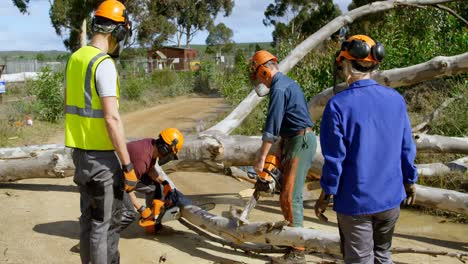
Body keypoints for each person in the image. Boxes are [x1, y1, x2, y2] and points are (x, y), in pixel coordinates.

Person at [315, 35, 418, 264]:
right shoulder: (396, 99)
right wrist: (410, 182)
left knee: (360, 260)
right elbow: (407, 148)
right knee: (383, 256)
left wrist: (326, 194)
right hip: (391, 200)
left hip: (356, 203)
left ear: (346, 64)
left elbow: (334, 161)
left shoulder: (338, 105)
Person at [64, 1, 134, 263]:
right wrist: (127, 164)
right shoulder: (103, 64)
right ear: (117, 32)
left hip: (79, 156)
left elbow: (68, 104)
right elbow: (111, 118)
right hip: (102, 161)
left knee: (87, 223)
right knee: (104, 227)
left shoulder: (75, 58)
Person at [250, 50, 317, 264]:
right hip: (291, 140)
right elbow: (289, 119)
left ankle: (297, 251)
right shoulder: (287, 83)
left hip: (301, 142)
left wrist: (261, 158)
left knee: (290, 195)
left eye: (258, 76)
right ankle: (291, 237)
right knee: (283, 195)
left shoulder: (279, 87)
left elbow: (272, 125)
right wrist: (279, 149)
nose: (259, 80)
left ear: (263, 70)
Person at [119, 128, 184, 234]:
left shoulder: (151, 146)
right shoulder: (142, 160)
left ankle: (153, 225)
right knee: (128, 214)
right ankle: (101, 236)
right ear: (165, 149)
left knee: (156, 187)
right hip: (114, 179)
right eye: (170, 154)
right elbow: (127, 187)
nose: (169, 157)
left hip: (128, 175)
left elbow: (150, 169)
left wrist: (164, 183)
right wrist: (141, 209)